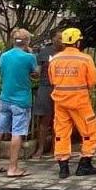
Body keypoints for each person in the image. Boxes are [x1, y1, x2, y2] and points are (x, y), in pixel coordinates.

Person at [48, 28, 96, 179]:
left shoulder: (55, 59)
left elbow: (52, 80)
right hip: (80, 102)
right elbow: (92, 81)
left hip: (60, 102)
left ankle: (63, 167)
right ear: (78, 42)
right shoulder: (85, 59)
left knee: (61, 133)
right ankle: (84, 163)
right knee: (90, 132)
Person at [0, 28, 38, 178]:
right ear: (27, 41)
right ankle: (13, 167)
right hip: (21, 100)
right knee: (17, 133)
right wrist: (30, 53)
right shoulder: (29, 57)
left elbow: (2, 72)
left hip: (5, 98)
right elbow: (35, 74)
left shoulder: (4, 56)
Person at [32, 30, 63, 159]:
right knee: (44, 119)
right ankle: (40, 148)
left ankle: (56, 148)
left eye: (63, 38)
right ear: (53, 38)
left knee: (60, 120)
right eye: (59, 37)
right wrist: (34, 74)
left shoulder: (66, 52)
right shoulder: (45, 52)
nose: (61, 40)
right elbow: (38, 70)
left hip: (61, 87)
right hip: (46, 87)